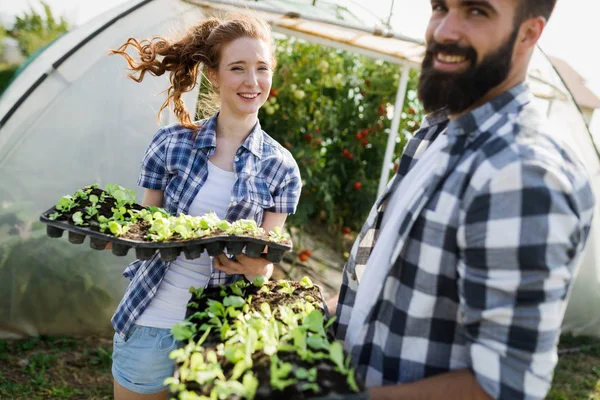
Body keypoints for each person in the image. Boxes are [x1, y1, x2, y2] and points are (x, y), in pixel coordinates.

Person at [318, 0, 594, 399]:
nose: (444, 30)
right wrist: (301, 310)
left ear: (529, 33)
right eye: (439, 7)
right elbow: (384, 288)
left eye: (476, 11)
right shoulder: (436, 134)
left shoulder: (523, 174)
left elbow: (502, 387)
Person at [108, 14, 301, 400]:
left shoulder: (282, 168)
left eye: (262, 68)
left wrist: (260, 268)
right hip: (152, 322)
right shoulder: (171, 143)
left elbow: (265, 261)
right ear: (213, 75)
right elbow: (144, 229)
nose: (252, 81)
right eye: (238, 68)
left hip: (220, 336)